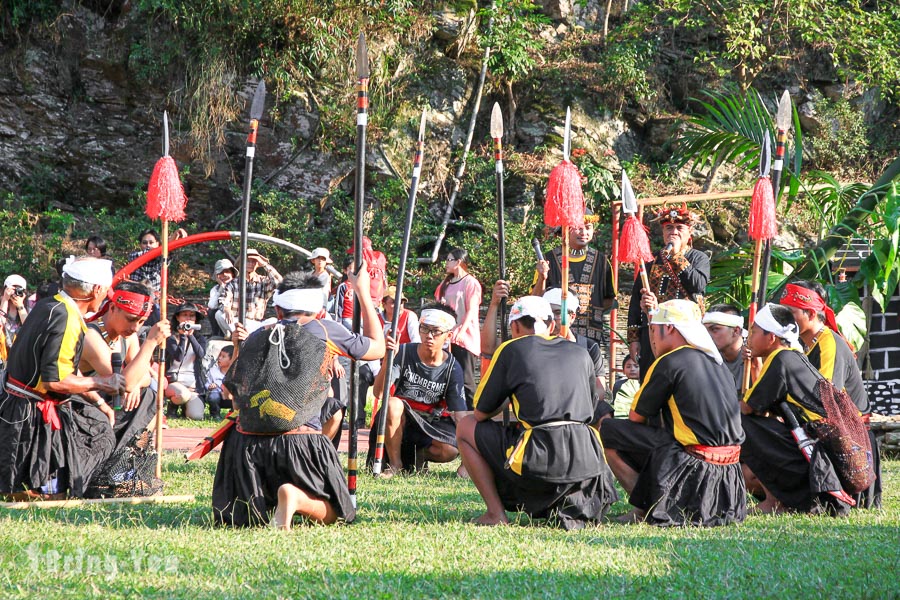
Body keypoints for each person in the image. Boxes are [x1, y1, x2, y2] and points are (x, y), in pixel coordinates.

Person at [212, 263, 385, 529]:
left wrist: (238, 345)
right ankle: (295, 497)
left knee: (247, 519)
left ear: (278, 310)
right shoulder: (325, 329)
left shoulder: (259, 333)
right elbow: (378, 347)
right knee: (339, 514)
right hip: (299, 443)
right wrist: (362, 291)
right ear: (320, 311)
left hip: (245, 448)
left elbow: (234, 397)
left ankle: (272, 501)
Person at [456, 295, 618, 529]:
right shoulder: (581, 352)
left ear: (514, 326)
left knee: (465, 426)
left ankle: (494, 513)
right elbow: (592, 404)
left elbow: (481, 413)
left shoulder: (511, 349)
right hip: (589, 460)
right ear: (552, 325)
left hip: (542, 455)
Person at [601, 299, 746, 526]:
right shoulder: (717, 362)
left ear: (668, 328)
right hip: (730, 475)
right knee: (664, 437)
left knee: (609, 429)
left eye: (652, 330)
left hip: (695, 463)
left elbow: (636, 417)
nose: (651, 339)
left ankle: (644, 508)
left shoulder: (669, 362)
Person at [0, 257, 126, 500]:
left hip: (17, 407)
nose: (106, 296)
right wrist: (102, 383)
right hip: (30, 417)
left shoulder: (50, 304)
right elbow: (55, 381)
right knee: (37, 498)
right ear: (97, 290)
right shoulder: (66, 318)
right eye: (105, 291)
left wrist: (99, 402)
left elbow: (63, 366)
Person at [740, 303, 859, 516]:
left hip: (822, 445)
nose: (749, 338)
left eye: (755, 332)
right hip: (827, 443)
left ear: (771, 338)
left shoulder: (780, 359)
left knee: (740, 423)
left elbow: (748, 409)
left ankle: (774, 501)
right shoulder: (793, 355)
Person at [779, 281, 880, 508]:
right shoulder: (805, 345)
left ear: (811, 313)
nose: (784, 319)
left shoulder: (828, 343)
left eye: (790, 313)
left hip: (849, 438)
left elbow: (825, 399)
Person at [371, 304, 466, 476]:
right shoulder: (404, 351)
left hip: (429, 425)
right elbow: (378, 393)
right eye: (424, 329)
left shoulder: (453, 367)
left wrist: (466, 464)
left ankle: (415, 458)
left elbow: (460, 415)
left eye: (436, 331)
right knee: (393, 403)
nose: (429, 336)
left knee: (449, 450)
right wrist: (388, 358)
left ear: (448, 336)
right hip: (399, 422)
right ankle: (395, 464)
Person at [627, 204, 710, 382]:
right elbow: (635, 302)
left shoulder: (698, 258)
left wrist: (675, 256)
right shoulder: (649, 263)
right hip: (653, 333)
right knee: (652, 379)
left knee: (684, 380)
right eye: (669, 228)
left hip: (685, 333)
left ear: (689, 233)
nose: (674, 232)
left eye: (679, 228)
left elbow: (697, 284)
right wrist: (634, 339)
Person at [531, 207, 614, 346]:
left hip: (590, 338)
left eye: (588, 228)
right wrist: (542, 278)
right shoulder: (548, 260)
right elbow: (535, 301)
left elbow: (609, 301)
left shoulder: (602, 262)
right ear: (565, 229)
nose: (584, 232)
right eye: (578, 228)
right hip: (555, 338)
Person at [435, 248, 482, 409]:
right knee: (447, 377)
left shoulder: (470, 283)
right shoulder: (445, 283)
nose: (446, 263)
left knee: (466, 379)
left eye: (449, 260)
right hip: (447, 337)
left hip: (464, 338)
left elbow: (472, 309)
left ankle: (473, 415)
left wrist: (461, 332)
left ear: (459, 262)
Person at [542, 287, 607, 403]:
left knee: (605, 414)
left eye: (557, 313)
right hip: (545, 407)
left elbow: (600, 389)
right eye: (547, 313)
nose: (551, 319)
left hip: (581, 406)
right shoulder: (534, 345)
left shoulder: (588, 347)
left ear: (572, 317)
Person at [164, 302, 209, 421]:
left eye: (192, 316)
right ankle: (172, 406)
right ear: (178, 318)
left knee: (196, 416)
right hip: (174, 383)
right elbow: (178, 356)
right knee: (183, 394)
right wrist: (183, 336)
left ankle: (185, 407)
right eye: (184, 315)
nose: (188, 319)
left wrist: (191, 336)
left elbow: (201, 354)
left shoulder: (201, 339)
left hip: (193, 385)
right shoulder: (171, 338)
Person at [702, 303, 746, 397]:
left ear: (735, 331)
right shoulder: (708, 357)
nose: (707, 336)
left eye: (714, 329)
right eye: (705, 331)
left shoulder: (754, 357)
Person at [240, 248, 283, 332]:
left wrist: (264, 264)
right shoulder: (235, 281)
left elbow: (279, 282)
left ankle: (250, 335)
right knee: (219, 315)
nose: (250, 264)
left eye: (253, 261)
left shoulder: (263, 281)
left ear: (257, 264)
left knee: (273, 320)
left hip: (256, 323)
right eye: (248, 261)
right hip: (238, 321)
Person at [207, 258, 239, 338]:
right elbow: (212, 306)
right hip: (223, 318)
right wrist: (222, 287)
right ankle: (218, 334)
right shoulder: (215, 289)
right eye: (220, 273)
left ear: (232, 274)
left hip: (237, 318)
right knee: (212, 312)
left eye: (227, 272)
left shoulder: (240, 286)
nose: (224, 275)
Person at [0, 274, 29, 358]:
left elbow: (29, 327)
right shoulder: (2, 303)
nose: (16, 292)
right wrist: (5, 300)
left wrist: (20, 305)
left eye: (19, 289)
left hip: (18, 357)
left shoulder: (25, 309)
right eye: (13, 288)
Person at [206, 345, 234, 419]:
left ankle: (234, 413)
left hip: (231, 398)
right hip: (218, 397)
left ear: (231, 360)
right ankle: (215, 415)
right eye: (219, 356)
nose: (219, 358)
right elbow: (206, 384)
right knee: (213, 396)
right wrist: (210, 386)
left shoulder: (236, 372)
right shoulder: (213, 371)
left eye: (223, 357)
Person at [609, 355, 640, 419]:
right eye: (628, 367)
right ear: (623, 370)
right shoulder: (618, 385)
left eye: (636, 366)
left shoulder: (647, 385)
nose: (632, 369)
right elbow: (615, 404)